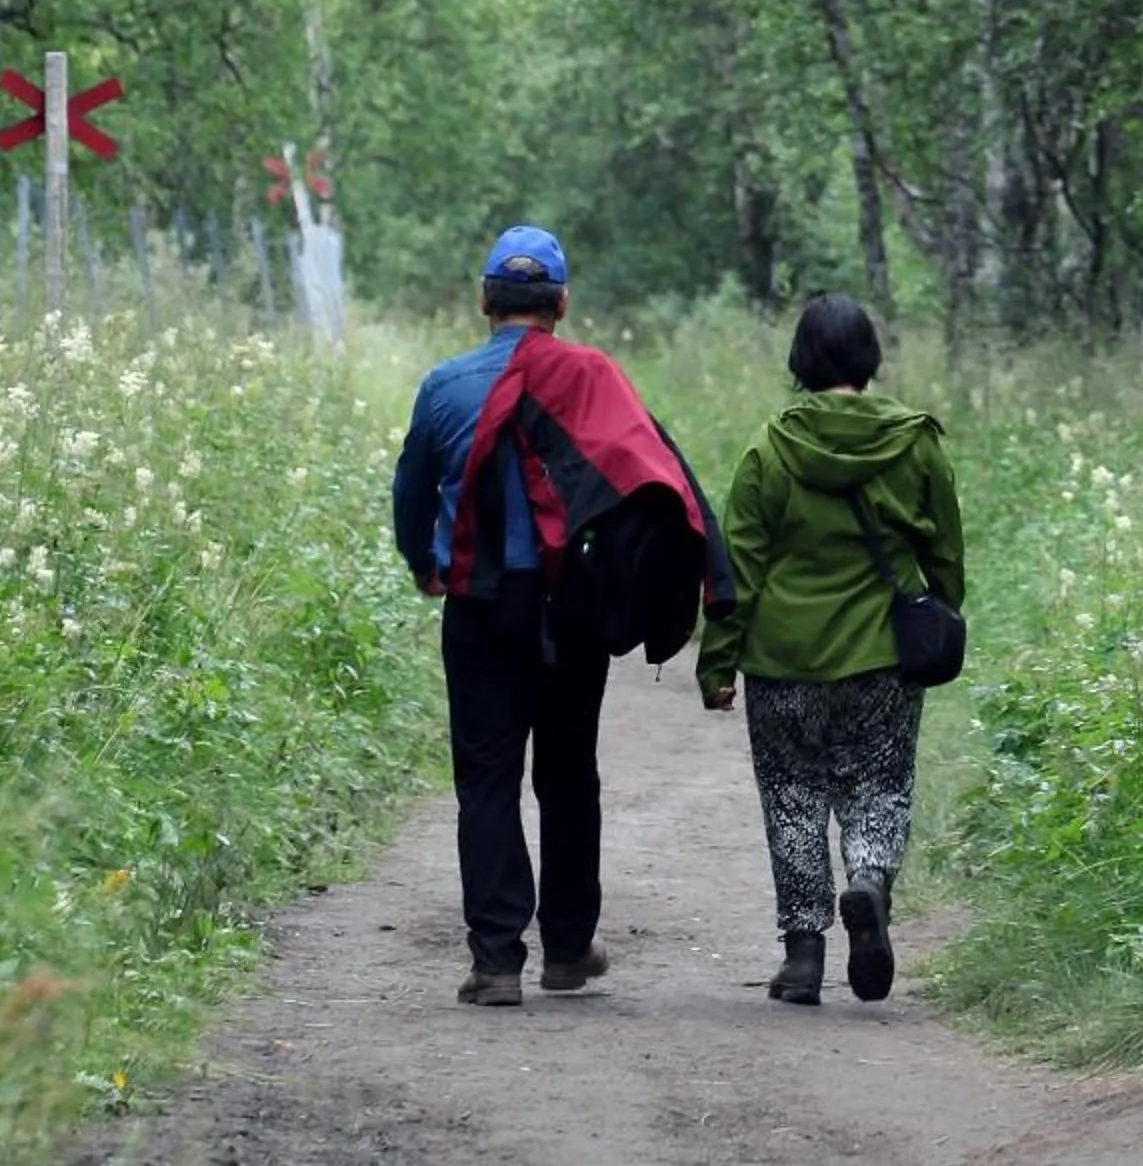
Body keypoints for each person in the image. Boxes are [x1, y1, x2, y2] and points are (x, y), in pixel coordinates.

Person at [393, 223, 730, 1007]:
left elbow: (413, 491)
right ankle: (570, 950)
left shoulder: (445, 386)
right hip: (572, 608)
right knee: (569, 774)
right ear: (562, 303)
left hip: (479, 606)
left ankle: (496, 962)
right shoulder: (591, 375)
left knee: (486, 778)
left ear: (484, 300)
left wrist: (423, 563)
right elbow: (645, 473)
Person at [699, 292, 963, 1005]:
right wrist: (941, 614)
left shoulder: (769, 447)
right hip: (882, 656)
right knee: (879, 787)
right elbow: (945, 551)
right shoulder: (915, 442)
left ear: (801, 361)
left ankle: (803, 956)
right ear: (870, 357)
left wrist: (717, 661)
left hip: (782, 661)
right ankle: (870, 881)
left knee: (792, 798)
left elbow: (739, 569)